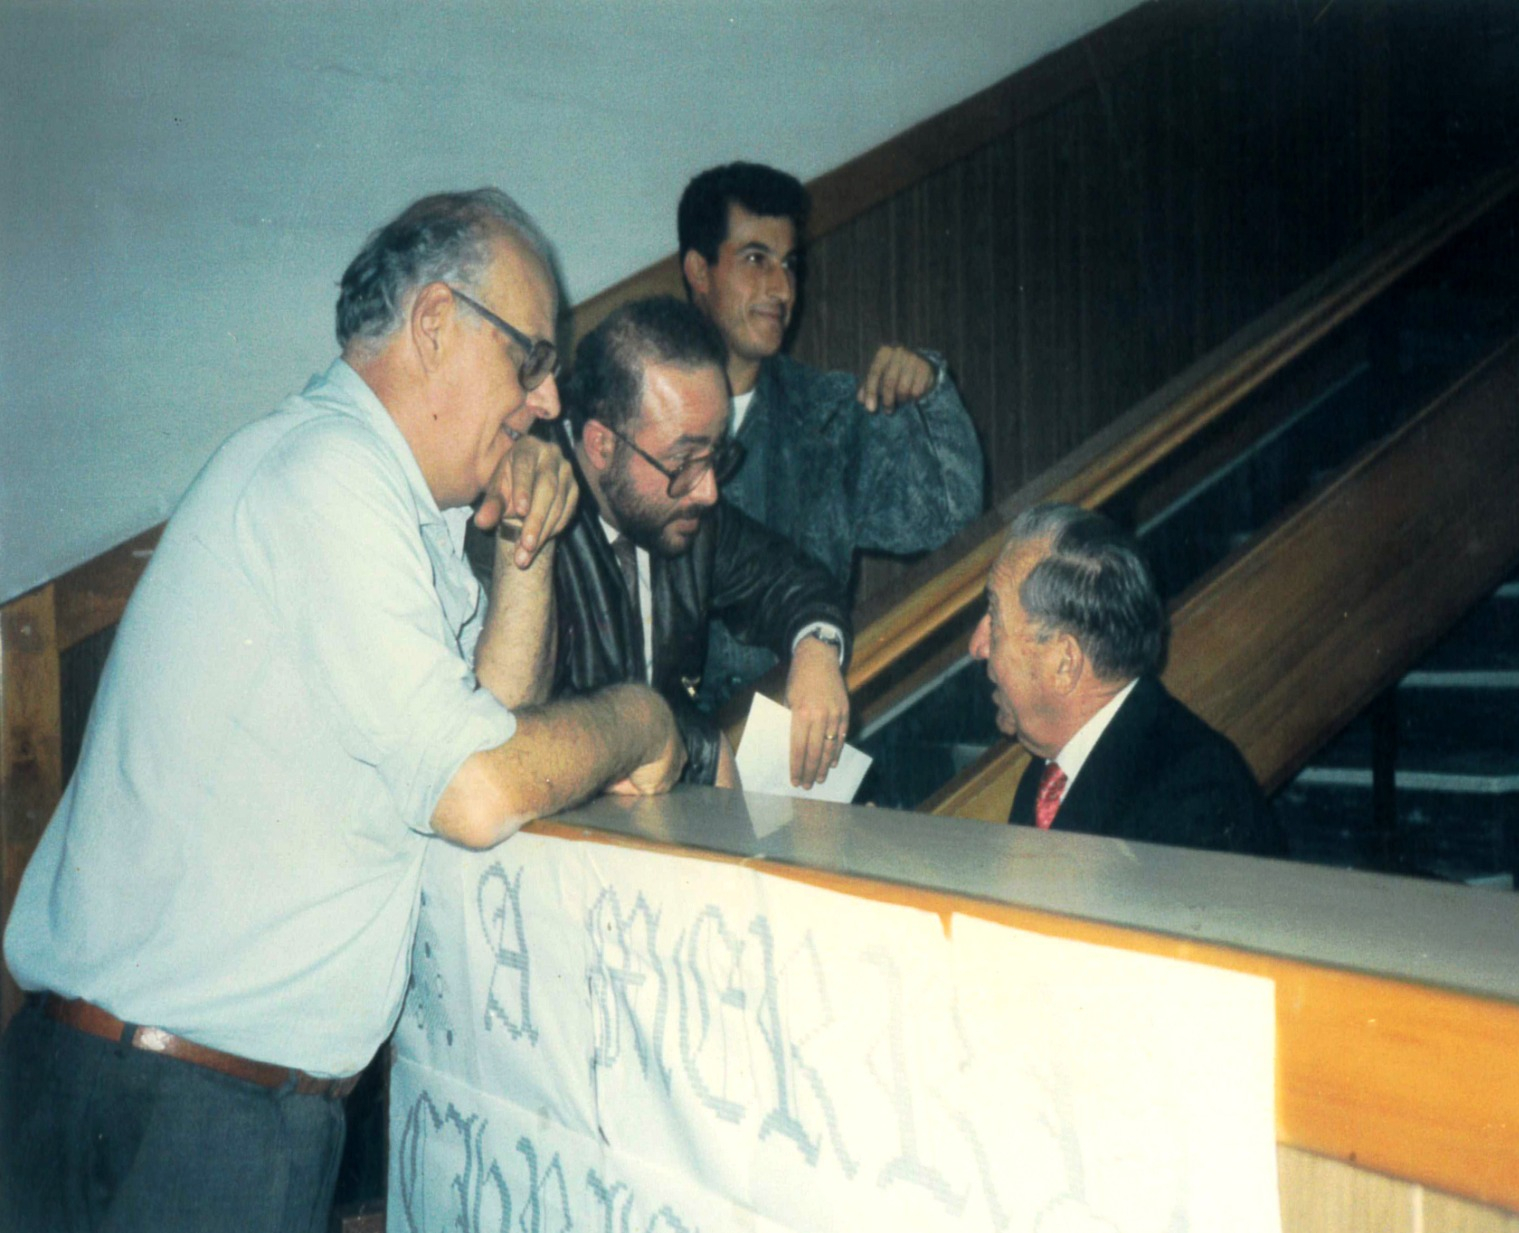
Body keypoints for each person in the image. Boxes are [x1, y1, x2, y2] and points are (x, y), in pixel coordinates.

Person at [1, 189, 683, 1233]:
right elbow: (479, 789)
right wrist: (643, 719)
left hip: (189, 1101)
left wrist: (524, 548)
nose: (546, 403)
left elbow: (483, 725)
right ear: (435, 326)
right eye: (531, 360)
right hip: (179, 1118)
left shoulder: (385, 505)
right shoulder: (325, 476)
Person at [468, 295, 852, 790]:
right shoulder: (519, 512)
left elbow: (789, 580)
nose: (709, 490)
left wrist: (818, 650)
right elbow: (535, 725)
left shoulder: (685, 510)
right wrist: (695, 744)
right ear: (602, 445)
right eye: (686, 461)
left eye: (716, 455)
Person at [677, 161, 985, 707]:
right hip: (666, 749)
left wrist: (930, 395)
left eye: (789, 264)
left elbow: (949, 515)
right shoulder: (638, 409)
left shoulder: (828, 417)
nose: (780, 287)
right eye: (755, 259)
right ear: (699, 272)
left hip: (793, 727)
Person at [969, 502, 1284, 855]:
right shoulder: (1049, 773)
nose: (977, 645)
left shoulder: (1193, 796)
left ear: (1064, 663)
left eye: (994, 619)